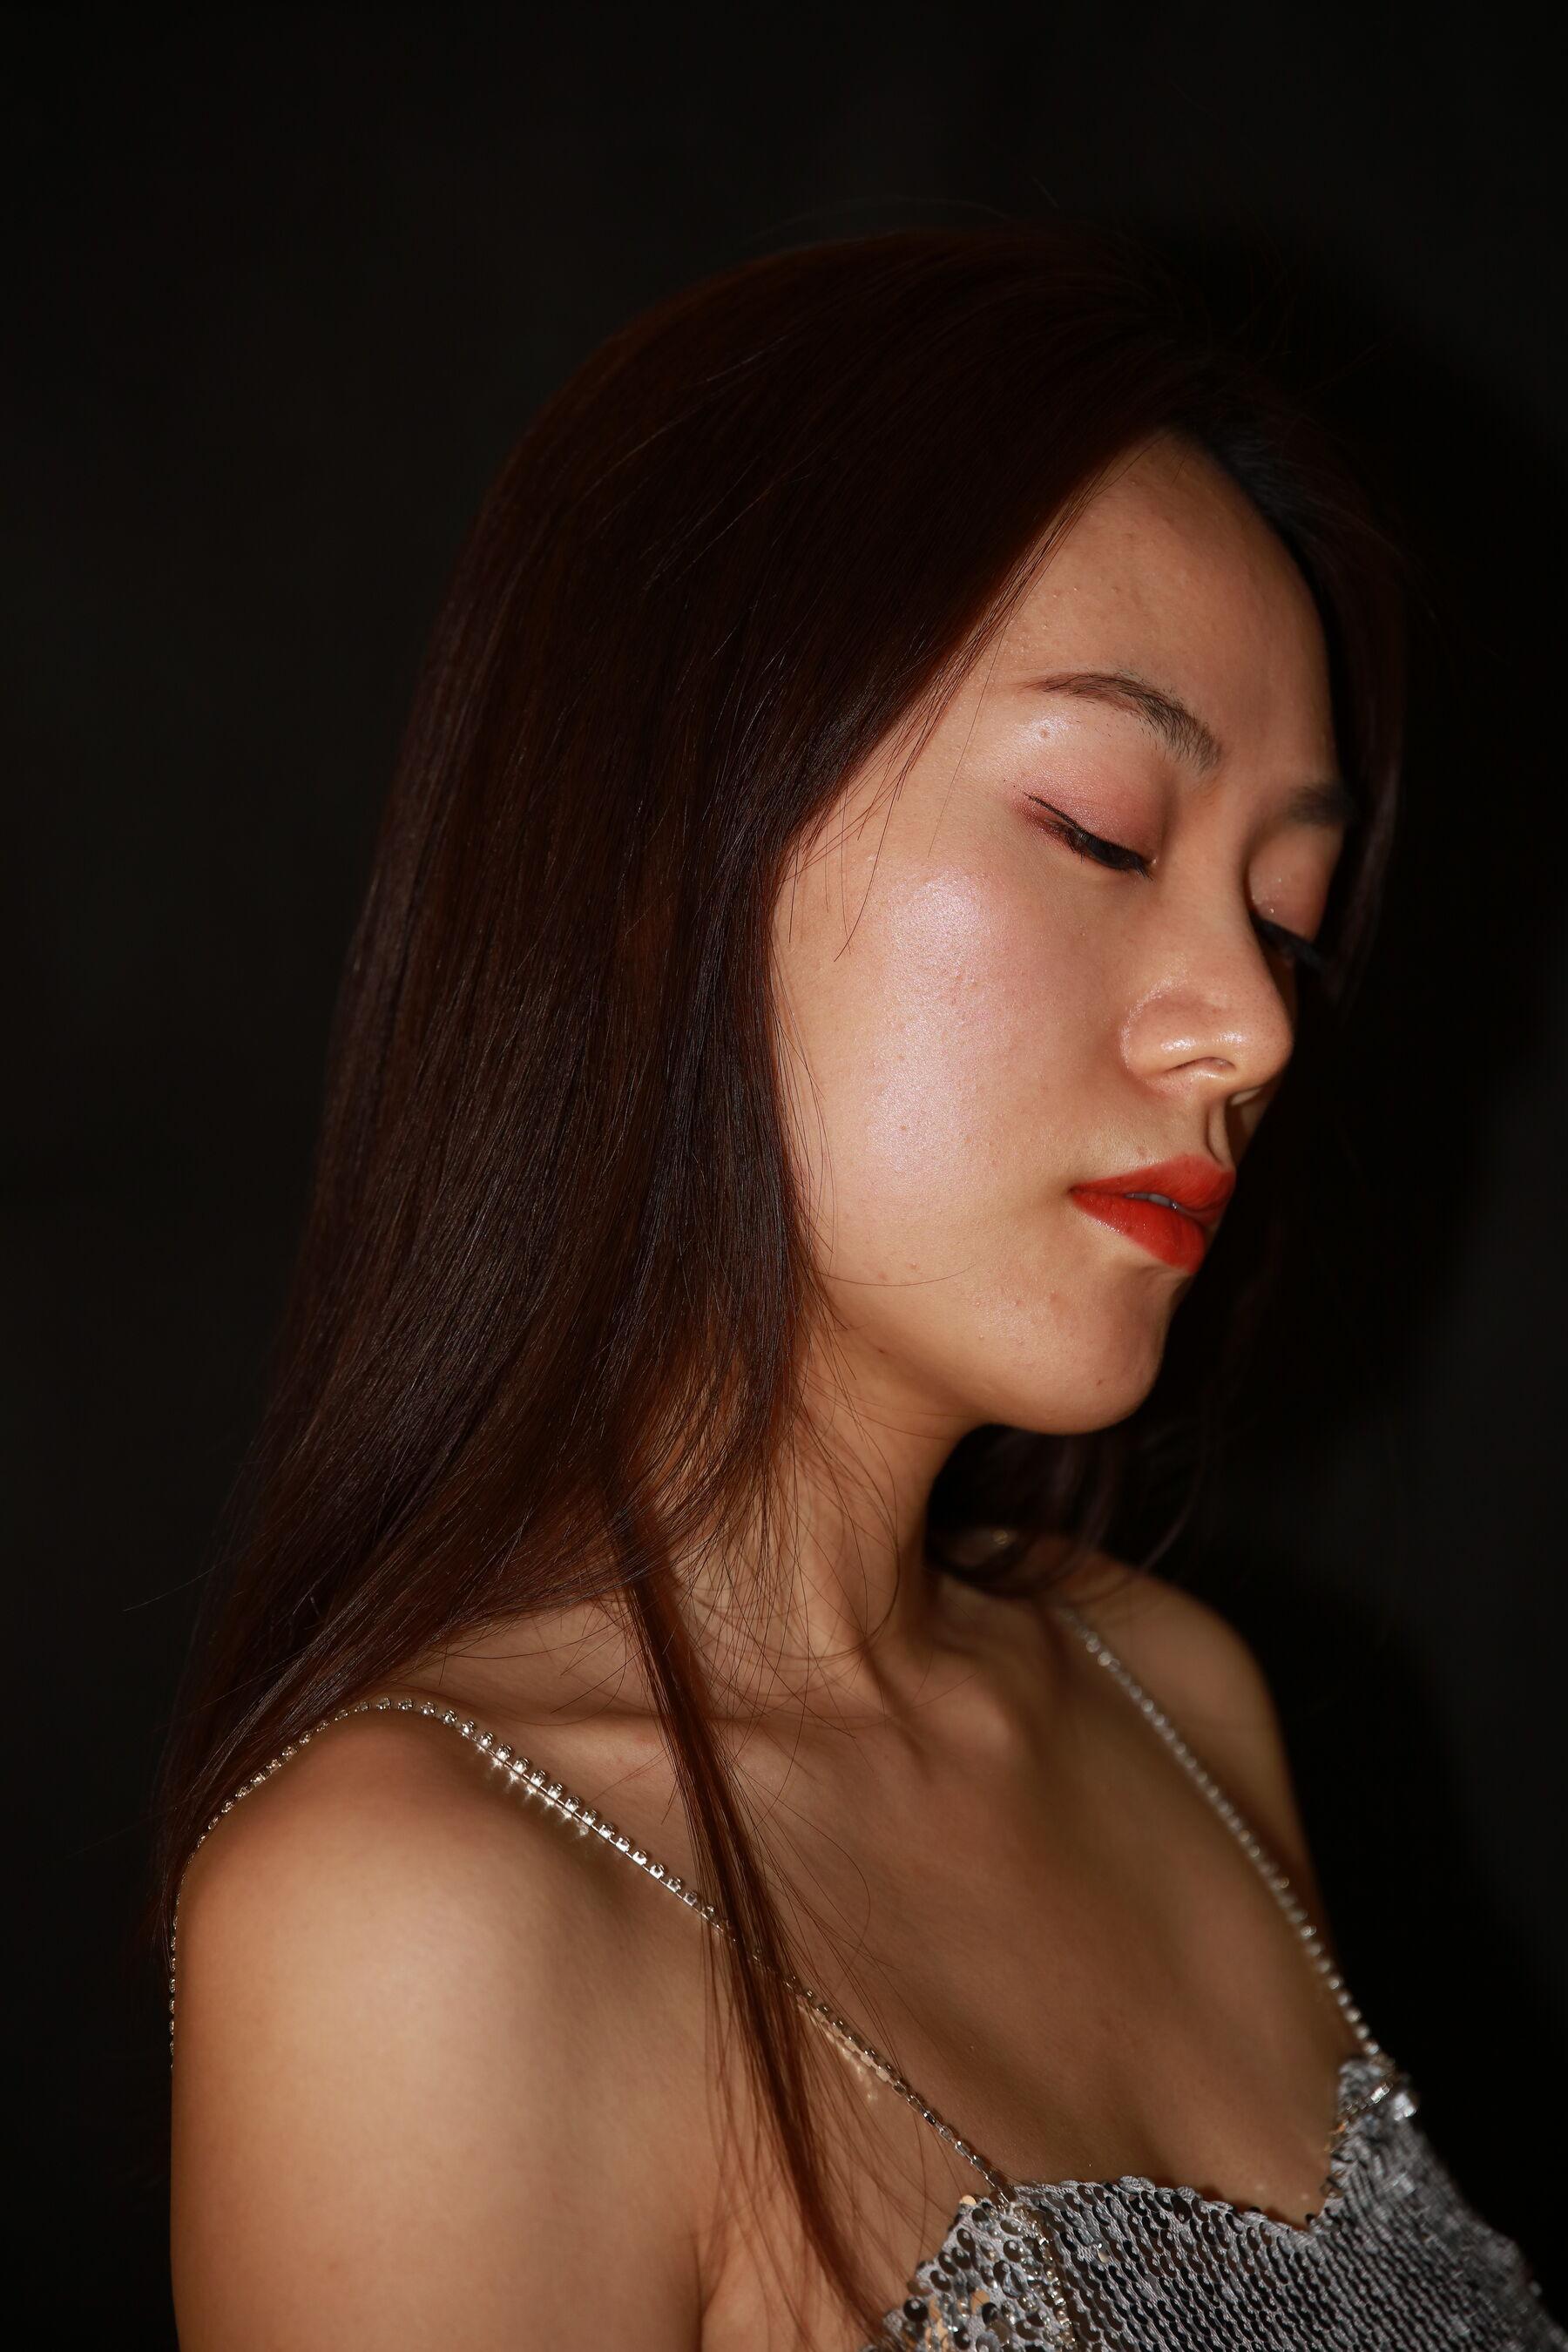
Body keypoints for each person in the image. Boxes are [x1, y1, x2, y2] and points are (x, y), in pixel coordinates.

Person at [154, 221, 1565, 2349]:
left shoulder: (1168, 1696)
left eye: (1286, 914)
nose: (1254, 1026)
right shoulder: (424, 1913)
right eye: (1103, 831)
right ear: (672, 834)